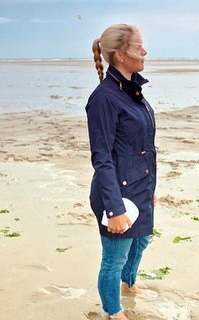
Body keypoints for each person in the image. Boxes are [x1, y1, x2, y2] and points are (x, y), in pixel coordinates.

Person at [86, 24, 156, 320]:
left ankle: (128, 284)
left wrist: (151, 192)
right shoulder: (103, 98)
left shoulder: (132, 91)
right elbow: (101, 158)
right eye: (138, 47)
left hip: (140, 187)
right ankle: (113, 312)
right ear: (119, 56)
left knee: (141, 241)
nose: (144, 52)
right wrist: (114, 209)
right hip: (116, 191)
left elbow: (143, 147)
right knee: (114, 259)